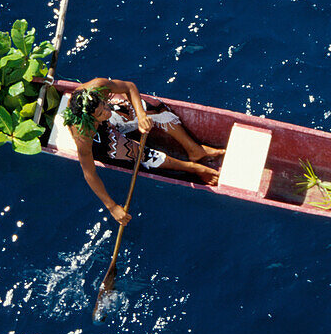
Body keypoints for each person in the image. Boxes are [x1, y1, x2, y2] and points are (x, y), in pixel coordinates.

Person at [65, 77, 224, 225]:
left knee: (153, 107)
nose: (106, 112)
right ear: (91, 118)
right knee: (136, 151)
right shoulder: (84, 135)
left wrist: (141, 116)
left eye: (103, 106)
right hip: (101, 140)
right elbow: (89, 174)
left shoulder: (98, 87)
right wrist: (112, 207)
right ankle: (192, 168)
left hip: (107, 119)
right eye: (100, 113)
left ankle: (194, 150)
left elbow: (129, 87)